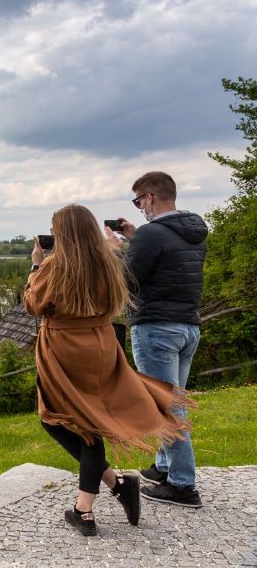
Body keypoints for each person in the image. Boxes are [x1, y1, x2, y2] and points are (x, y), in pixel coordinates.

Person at [26, 204, 195, 536]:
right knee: (80, 421)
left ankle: (84, 510)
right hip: (102, 345)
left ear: (60, 234)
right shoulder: (107, 262)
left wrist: (35, 264)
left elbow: (33, 304)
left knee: (75, 424)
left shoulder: (54, 266)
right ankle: (117, 485)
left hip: (65, 349)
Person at [106, 171, 207, 508]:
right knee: (171, 399)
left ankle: (182, 485)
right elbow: (165, 262)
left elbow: (126, 284)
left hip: (156, 329)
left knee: (167, 407)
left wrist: (116, 252)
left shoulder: (152, 234)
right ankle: (165, 469)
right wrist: (138, 238)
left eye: (138, 202)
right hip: (187, 326)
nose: (139, 209)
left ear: (150, 197)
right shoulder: (193, 231)